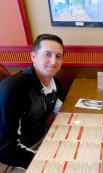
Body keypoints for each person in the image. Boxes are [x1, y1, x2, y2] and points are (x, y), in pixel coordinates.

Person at [0, 34, 64, 171]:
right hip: (15, 156)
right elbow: (5, 150)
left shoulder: (54, 82)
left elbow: (61, 111)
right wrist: (47, 164)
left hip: (43, 138)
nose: (54, 61)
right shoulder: (13, 91)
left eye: (58, 56)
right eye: (47, 54)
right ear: (33, 57)